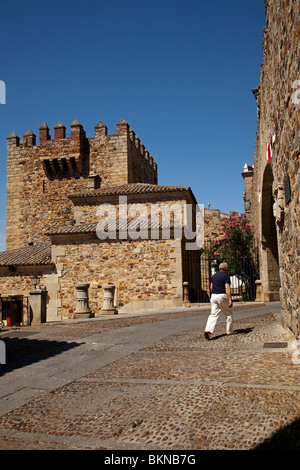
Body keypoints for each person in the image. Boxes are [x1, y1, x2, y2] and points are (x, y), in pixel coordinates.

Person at [204, 262, 233, 340]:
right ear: (226, 268)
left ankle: (208, 330)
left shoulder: (214, 276)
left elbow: (211, 287)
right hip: (221, 295)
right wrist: (230, 299)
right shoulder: (226, 276)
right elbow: (227, 287)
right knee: (228, 313)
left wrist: (211, 296)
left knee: (213, 314)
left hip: (214, 295)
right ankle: (229, 331)